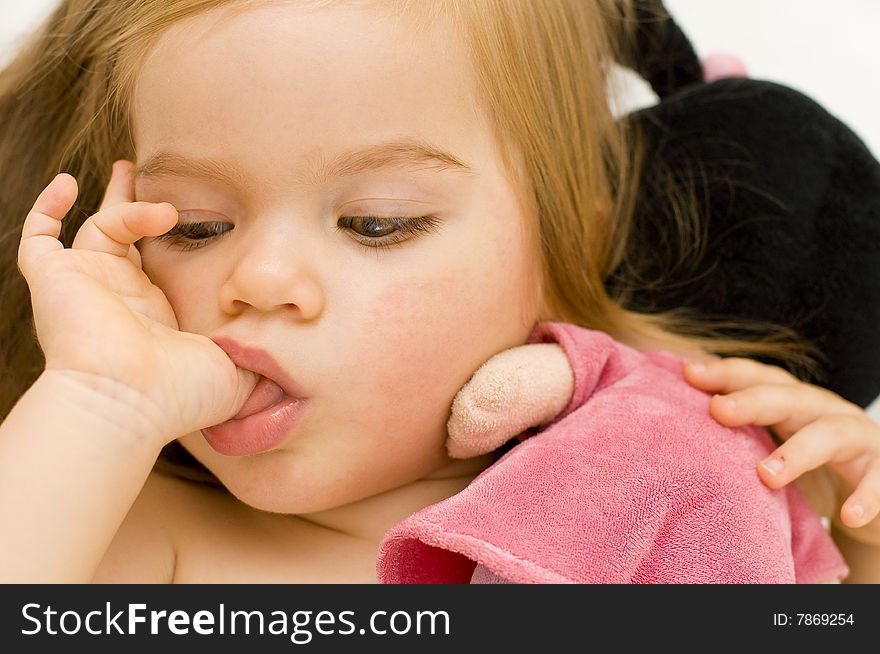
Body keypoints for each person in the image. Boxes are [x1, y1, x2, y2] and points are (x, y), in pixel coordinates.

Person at [0, 0, 877, 583]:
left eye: (377, 223)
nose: (258, 282)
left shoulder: (696, 494)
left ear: (576, 236)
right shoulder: (142, 539)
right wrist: (103, 400)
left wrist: (864, 541)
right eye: (194, 225)